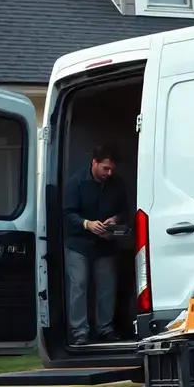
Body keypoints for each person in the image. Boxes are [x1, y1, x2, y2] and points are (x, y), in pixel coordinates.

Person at [62, 144, 128, 345]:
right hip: (79, 243)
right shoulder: (76, 182)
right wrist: (87, 224)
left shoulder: (117, 184)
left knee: (107, 287)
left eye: (111, 169)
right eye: (105, 168)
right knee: (78, 285)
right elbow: (66, 214)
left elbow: (125, 210)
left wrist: (115, 220)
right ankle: (79, 331)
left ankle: (105, 328)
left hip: (105, 244)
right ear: (94, 163)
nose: (109, 173)